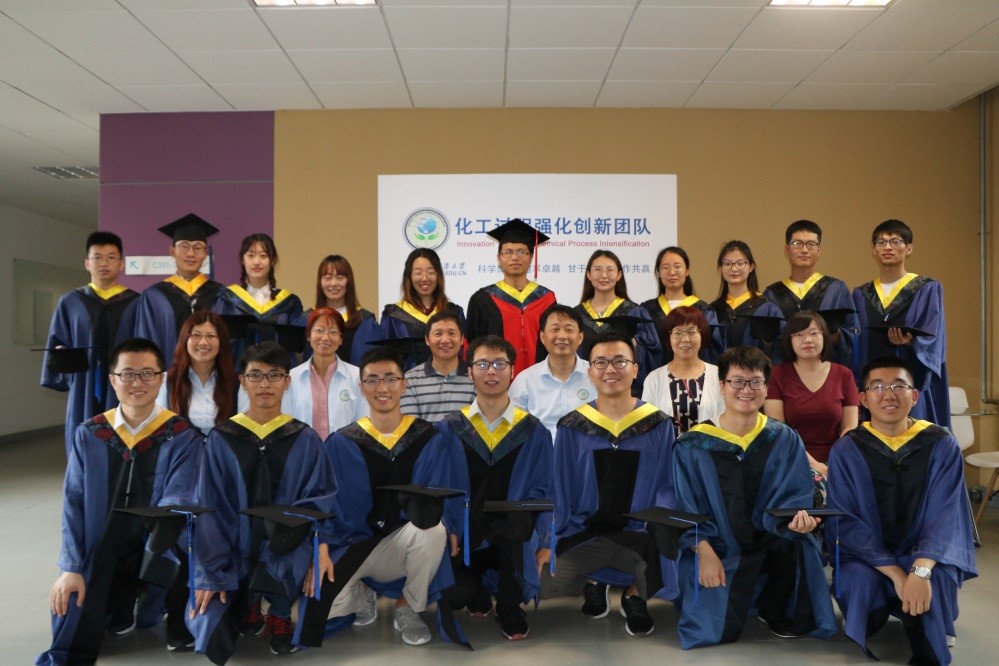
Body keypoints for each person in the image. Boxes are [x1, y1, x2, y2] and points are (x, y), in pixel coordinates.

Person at [37, 338, 203, 665]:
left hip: (158, 542)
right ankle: (117, 607)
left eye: (147, 373)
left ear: (161, 378)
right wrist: (71, 567)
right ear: (112, 380)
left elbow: (181, 494)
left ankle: (164, 612)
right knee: (71, 614)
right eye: (127, 374)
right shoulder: (91, 433)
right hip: (102, 543)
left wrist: (160, 534)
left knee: (187, 544)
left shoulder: (182, 434)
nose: (137, 382)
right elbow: (74, 503)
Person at [295, 346, 462, 650]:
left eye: (390, 378)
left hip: (402, 544)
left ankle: (407, 606)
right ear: (361, 387)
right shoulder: (341, 442)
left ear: (404, 384)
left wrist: (451, 525)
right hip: (352, 545)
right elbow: (323, 501)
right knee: (321, 606)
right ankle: (361, 596)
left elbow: (440, 491)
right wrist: (320, 550)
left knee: (433, 531)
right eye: (372, 380)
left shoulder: (428, 437)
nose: (382, 388)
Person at [672, 346, 837, 649]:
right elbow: (685, 505)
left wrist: (800, 521)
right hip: (718, 545)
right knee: (708, 631)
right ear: (722, 386)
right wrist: (702, 549)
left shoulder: (784, 437)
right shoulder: (692, 445)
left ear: (766, 387)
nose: (746, 390)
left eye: (755, 382)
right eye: (737, 381)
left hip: (771, 538)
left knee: (800, 545)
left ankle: (773, 606)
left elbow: (797, 494)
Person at [189, 341, 337, 661]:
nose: (265, 384)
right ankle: (249, 602)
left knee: (288, 547)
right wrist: (209, 573)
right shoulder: (222, 437)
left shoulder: (304, 438)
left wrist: (319, 547)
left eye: (274, 375)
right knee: (210, 633)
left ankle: (279, 612)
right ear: (242, 381)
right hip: (233, 547)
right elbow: (209, 507)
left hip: (286, 547)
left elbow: (319, 498)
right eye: (256, 375)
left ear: (287, 381)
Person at [826, 356, 977, 666]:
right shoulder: (847, 448)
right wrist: (897, 573)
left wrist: (920, 570)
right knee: (859, 579)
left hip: (923, 553)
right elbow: (844, 519)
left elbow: (945, 513)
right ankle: (867, 617)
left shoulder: (941, 443)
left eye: (899, 386)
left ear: (915, 396)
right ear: (863, 398)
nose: (889, 395)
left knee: (937, 577)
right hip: (869, 556)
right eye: (878, 387)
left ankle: (934, 623)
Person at [538, 330, 676, 638]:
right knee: (544, 582)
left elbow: (667, 485)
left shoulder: (658, 424)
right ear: (590, 372)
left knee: (671, 566)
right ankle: (595, 581)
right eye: (600, 362)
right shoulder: (573, 425)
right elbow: (559, 486)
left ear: (635, 369)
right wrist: (548, 540)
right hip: (583, 531)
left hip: (639, 534)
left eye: (619, 361)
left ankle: (633, 595)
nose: (610, 369)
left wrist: (661, 530)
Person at [436, 335, 553, 640]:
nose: (491, 371)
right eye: (483, 364)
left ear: (513, 371)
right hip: (465, 535)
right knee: (455, 595)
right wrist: (447, 526)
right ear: (469, 372)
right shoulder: (449, 428)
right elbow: (438, 485)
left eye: (500, 364)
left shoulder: (533, 431)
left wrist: (545, 537)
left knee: (514, 530)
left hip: (513, 535)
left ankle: (509, 606)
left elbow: (544, 489)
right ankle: (477, 591)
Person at [41, 231, 140, 456]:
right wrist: (62, 358)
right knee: (82, 441)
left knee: (124, 440)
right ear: (87, 263)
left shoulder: (136, 302)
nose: (103, 263)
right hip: (84, 384)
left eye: (111, 257)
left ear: (121, 264)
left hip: (124, 384)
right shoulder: (70, 302)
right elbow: (57, 343)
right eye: (97, 257)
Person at [852, 219, 950, 430]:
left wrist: (910, 343)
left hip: (911, 380)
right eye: (881, 242)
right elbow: (854, 341)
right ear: (874, 250)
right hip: (873, 384)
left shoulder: (926, 288)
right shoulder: (861, 294)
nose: (887, 247)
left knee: (913, 437)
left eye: (895, 241)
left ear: (909, 248)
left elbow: (933, 338)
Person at [764, 311, 859, 478]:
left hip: (837, 459)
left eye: (814, 333)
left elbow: (850, 428)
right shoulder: (776, 375)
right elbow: (779, 432)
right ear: (789, 340)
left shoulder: (844, 374)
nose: (807, 339)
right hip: (790, 459)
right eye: (799, 334)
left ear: (824, 336)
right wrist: (815, 465)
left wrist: (836, 462)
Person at [465, 219, 557, 375]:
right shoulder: (482, 299)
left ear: (531, 257)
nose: (515, 257)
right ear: (499, 257)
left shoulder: (546, 298)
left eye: (521, 252)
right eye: (508, 252)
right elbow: (471, 345)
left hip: (541, 379)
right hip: (495, 379)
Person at [133, 213, 224, 368]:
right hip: (168, 376)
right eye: (184, 246)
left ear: (205, 254)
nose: (191, 253)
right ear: (172, 251)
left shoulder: (220, 294)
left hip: (211, 376)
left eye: (197, 247)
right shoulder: (153, 296)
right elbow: (145, 343)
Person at [764, 220, 859, 367]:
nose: (804, 250)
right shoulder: (772, 293)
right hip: (785, 372)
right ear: (787, 250)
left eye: (811, 244)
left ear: (819, 250)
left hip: (825, 371)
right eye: (797, 244)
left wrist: (834, 334)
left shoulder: (836, 289)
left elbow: (853, 335)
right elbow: (765, 345)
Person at [213, 233, 306, 363]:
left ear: (273, 260)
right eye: (251, 255)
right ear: (242, 260)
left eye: (263, 256)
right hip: (238, 372)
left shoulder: (289, 303)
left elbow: (296, 349)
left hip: (277, 371)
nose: (256, 262)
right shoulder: (227, 299)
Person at [509, 304, 596, 440]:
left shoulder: (597, 375)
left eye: (569, 330)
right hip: (541, 452)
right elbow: (514, 430)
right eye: (555, 329)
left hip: (586, 451)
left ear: (580, 337)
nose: (562, 336)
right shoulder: (525, 380)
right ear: (542, 337)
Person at [573, 250, 660, 385]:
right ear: (588, 274)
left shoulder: (634, 312)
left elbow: (652, 354)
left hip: (622, 387)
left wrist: (634, 345)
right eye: (597, 269)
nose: (604, 275)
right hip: (583, 388)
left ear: (619, 274)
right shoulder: (576, 315)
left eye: (610, 270)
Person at [282, 308, 368, 440]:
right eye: (319, 330)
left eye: (333, 332)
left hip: (344, 450)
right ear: (309, 336)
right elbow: (288, 424)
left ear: (341, 339)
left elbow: (363, 423)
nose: (325, 337)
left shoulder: (357, 376)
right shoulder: (291, 378)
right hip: (305, 450)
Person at [642, 306, 723, 437]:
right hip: (667, 450)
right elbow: (647, 426)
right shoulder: (654, 378)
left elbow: (727, 420)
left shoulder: (719, 375)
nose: (685, 339)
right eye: (678, 332)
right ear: (668, 337)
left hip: (712, 449)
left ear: (702, 335)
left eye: (691, 332)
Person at [380, 248, 466, 370]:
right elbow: (385, 358)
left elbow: (463, 354)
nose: (424, 278)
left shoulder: (454, 312)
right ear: (409, 276)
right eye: (418, 273)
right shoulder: (393, 315)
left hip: (449, 379)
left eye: (431, 272)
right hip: (407, 380)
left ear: (438, 276)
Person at [639, 246, 722, 363]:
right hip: (656, 374)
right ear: (659, 272)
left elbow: (711, 352)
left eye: (677, 266)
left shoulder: (703, 311)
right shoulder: (645, 311)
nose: (672, 272)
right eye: (665, 267)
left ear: (687, 271)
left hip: (694, 373)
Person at [159, 311, 236, 436]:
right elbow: (159, 430)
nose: (203, 342)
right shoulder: (164, 381)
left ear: (221, 341)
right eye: (196, 335)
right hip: (181, 448)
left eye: (210, 336)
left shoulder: (239, 383)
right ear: (185, 339)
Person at [709, 240, 784, 355]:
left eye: (740, 263)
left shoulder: (767, 308)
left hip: (756, 366)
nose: (734, 269)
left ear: (751, 267)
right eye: (727, 264)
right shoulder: (712, 311)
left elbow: (779, 348)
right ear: (721, 268)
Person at [400, 311, 476, 423]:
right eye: (438, 334)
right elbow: (411, 427)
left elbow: (478, 423)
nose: (445, 340)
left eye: (452, 333)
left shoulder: (475, 376)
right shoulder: (410, 379)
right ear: (427, 340)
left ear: (461, 339)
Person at [311, 254, 379, 365]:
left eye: (340, 277)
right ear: (320, 282)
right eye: (327, 278)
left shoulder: (365, 322)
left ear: (349, 281)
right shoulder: (307, 320)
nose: (333, 283)